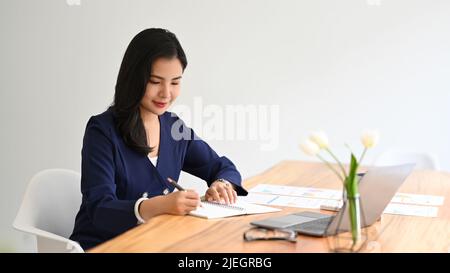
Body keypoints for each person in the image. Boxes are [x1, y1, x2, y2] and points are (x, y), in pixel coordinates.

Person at [70, 28, 247, 250]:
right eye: (155, 81)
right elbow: (100, 208)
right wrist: (158, 206)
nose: (166, 93)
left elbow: (222, 166)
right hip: (103, 246)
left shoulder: (174, 128)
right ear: (134, 78)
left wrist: (222, 184)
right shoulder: (102, 131)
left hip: (153, 244)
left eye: (175, 82)